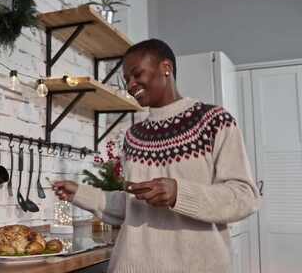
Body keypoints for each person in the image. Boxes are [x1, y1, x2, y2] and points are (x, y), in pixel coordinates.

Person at [53, 39, 260, 273]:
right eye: (126, 79)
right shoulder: (133, 136)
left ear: (166, 68)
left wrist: (178, 193)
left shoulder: (214, 121)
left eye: (137, 74)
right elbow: (132, 207)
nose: (130, 85)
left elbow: (244, 197)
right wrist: (81, 193)